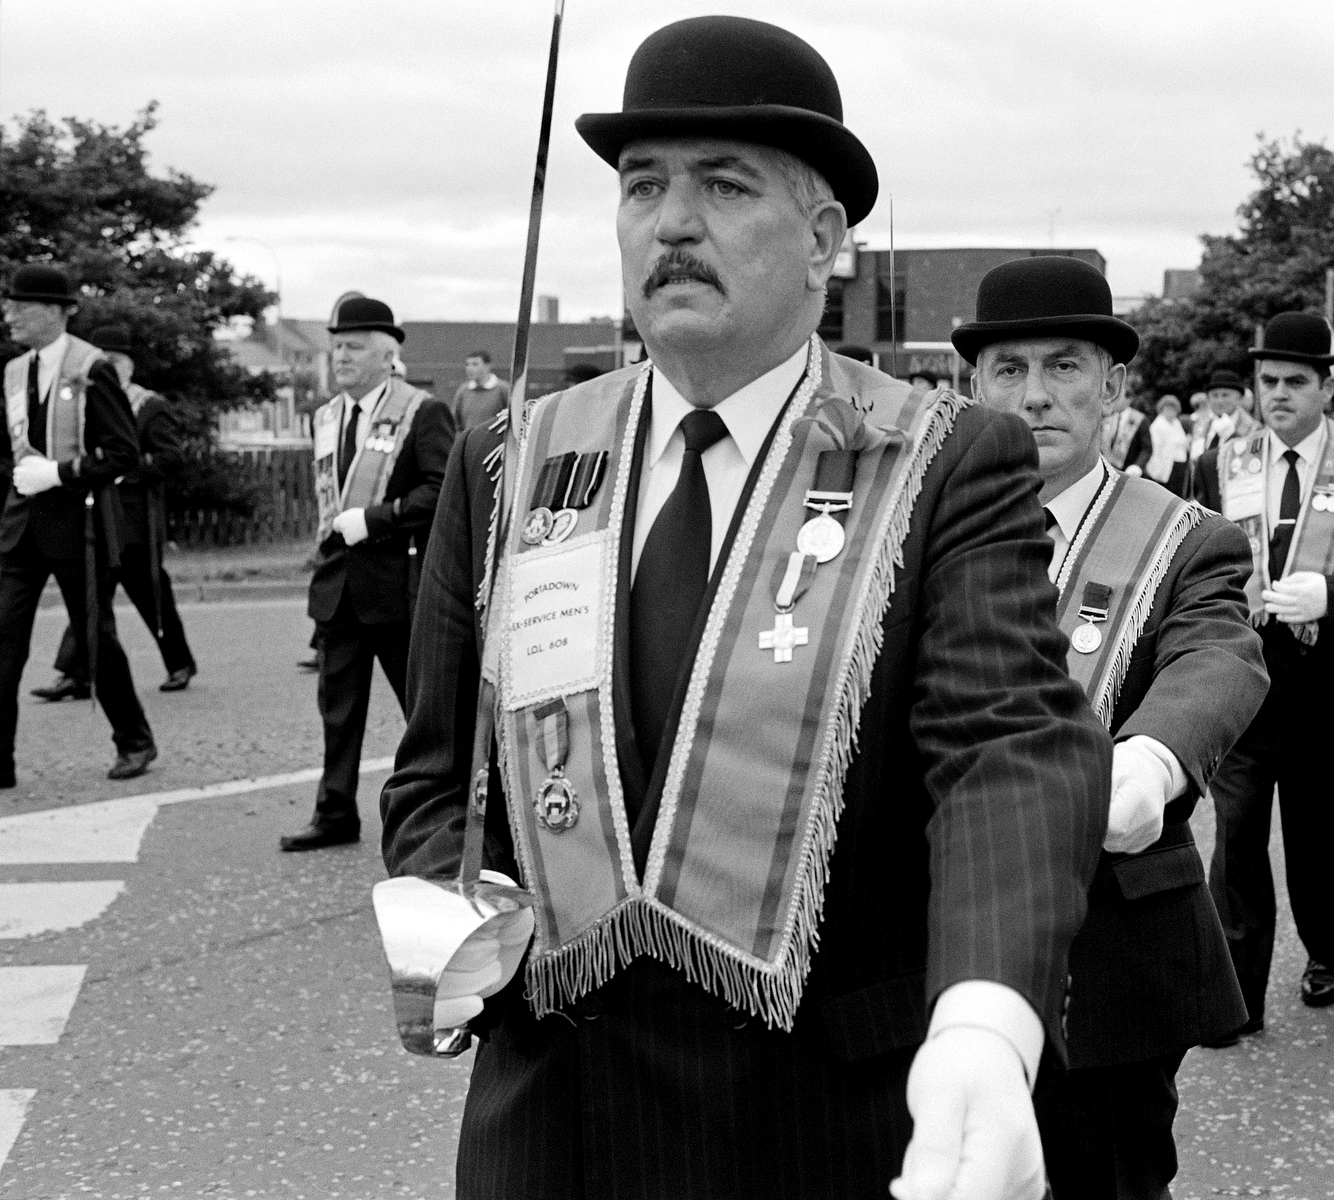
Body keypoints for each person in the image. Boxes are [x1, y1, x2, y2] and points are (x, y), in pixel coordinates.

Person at [379, 18, 1109, 1198]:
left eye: (723, 185)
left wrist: (986, 1021)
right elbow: (438, 766)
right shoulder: (512, 458)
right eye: (643, 186)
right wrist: (441, 907)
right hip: (551, 1119)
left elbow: (1007, 751)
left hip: (822, 1120)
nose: (671, 223)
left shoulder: (937, 457)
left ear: (825, 239)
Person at [958, 255, 1265, 1200]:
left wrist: (1150, 759)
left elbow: (1218, 657)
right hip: (939, 943)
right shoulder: (923, 530)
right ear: (974, 385)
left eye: (1063, 367)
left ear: (1115, 386)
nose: (1036, 396)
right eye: (1008, 370)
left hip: (1103, 950)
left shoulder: (1182, 536)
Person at [1191, 312, 1334, 1026]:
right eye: (1268, 382)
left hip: (1322, 684)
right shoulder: (1218, 465)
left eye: (1296, 381)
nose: (1279, 394)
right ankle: (1238, 989)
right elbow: (1193, 569)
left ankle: (1327, 950)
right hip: (1240, 686)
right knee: (1234, 844)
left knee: (1320, 840)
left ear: (1327, 388)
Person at [281, 297, 453, 852]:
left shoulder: (421, 411)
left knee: (423, 715)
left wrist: (377, 519)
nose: (340, 357)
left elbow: (441, 490)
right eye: (336, 347)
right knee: (338, 711)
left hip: (399, 587)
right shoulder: (328, 416)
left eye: (353, 347)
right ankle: (334, 814)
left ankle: (444, 815)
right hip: (338, 588)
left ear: (387, 355)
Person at [0, 265, 156, 784]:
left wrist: (61, 473)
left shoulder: (92, 367)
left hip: (79, 527)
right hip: (21, 527)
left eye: (21, 305)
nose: (10, 313)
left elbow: (123, 452)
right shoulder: (14, 370)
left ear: (54, 311)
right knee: (4, 640)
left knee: (95, 639)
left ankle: (134, 741)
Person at [32, 324, 197, 701]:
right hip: (97, 515)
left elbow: (171, 456)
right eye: (102, 360)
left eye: (116, 361)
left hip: (135, 520)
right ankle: (76, 674)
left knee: (152, 596)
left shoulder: (149, 405)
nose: (108, 367)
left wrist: (126, 467)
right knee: (88, 596)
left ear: (130, 366)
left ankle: (179, 663)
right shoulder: (83, 404)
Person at [1187, 369, 1259, 453]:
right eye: (1215, 395)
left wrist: (1232, 435)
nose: (1219, 401)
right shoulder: (1200, 425)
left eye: (1225, 395)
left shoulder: (1254, 429)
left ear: (1239, 398)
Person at [1139, 394, 1192, 496]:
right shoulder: (1158, 426)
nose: (1171, 412)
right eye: (1168, 409)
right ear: (1162, 409)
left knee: (1179, 494)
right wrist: (1156, 470)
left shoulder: (1176, 423)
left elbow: (1182, 441)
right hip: (1165, 465)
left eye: (1173, 409)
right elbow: (1155, 449)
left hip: (1180, 463)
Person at [449, 351, 510, 433]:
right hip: (469, 443)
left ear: (487, 366)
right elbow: (455, 421)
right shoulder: (463, 391)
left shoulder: (503, 389)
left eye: (475, 364)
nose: (469, 368)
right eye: (467, 364)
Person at [1099, 394, 1146, 471]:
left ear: (1128, 400)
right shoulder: (1107, 416)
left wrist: (1137, 466)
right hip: (1105, 466)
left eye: (1118, 398)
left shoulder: (1140, 420)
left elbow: (1147, 448)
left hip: (1127, 469)